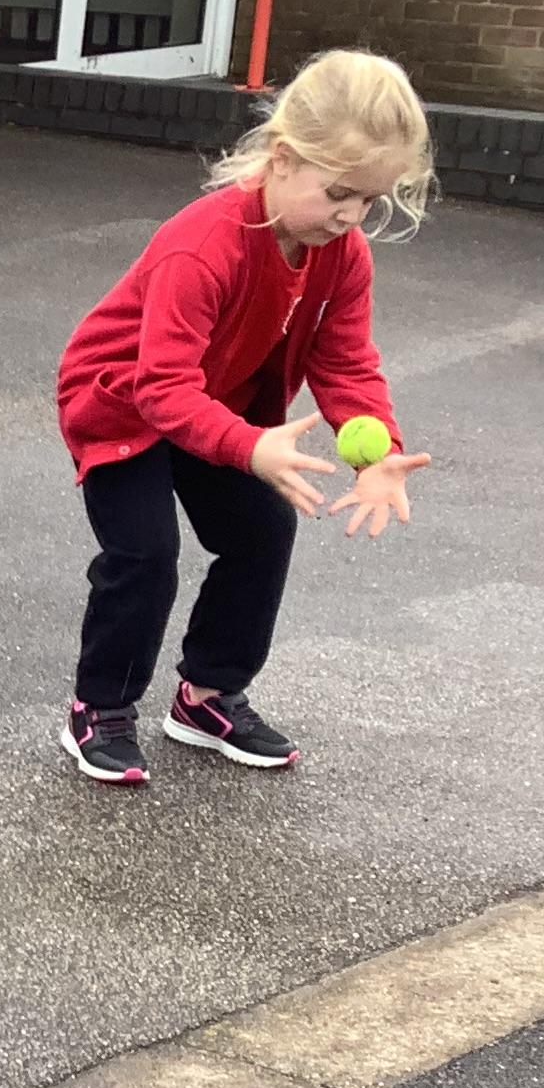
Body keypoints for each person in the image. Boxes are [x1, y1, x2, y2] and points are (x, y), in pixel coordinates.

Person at [54, 48, 437, 785]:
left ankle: (206, 697)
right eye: (339, 193)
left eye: (370, 200)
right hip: (123, 401)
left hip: (216, 405)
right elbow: (162, 388)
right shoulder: (203, 247)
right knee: (145, 555)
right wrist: (251, 448)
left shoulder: (342, 254)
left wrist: (379, 451)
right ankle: (99, 708)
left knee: (262, 530)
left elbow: (345, 361)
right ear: (283, 159)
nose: (351, 216)